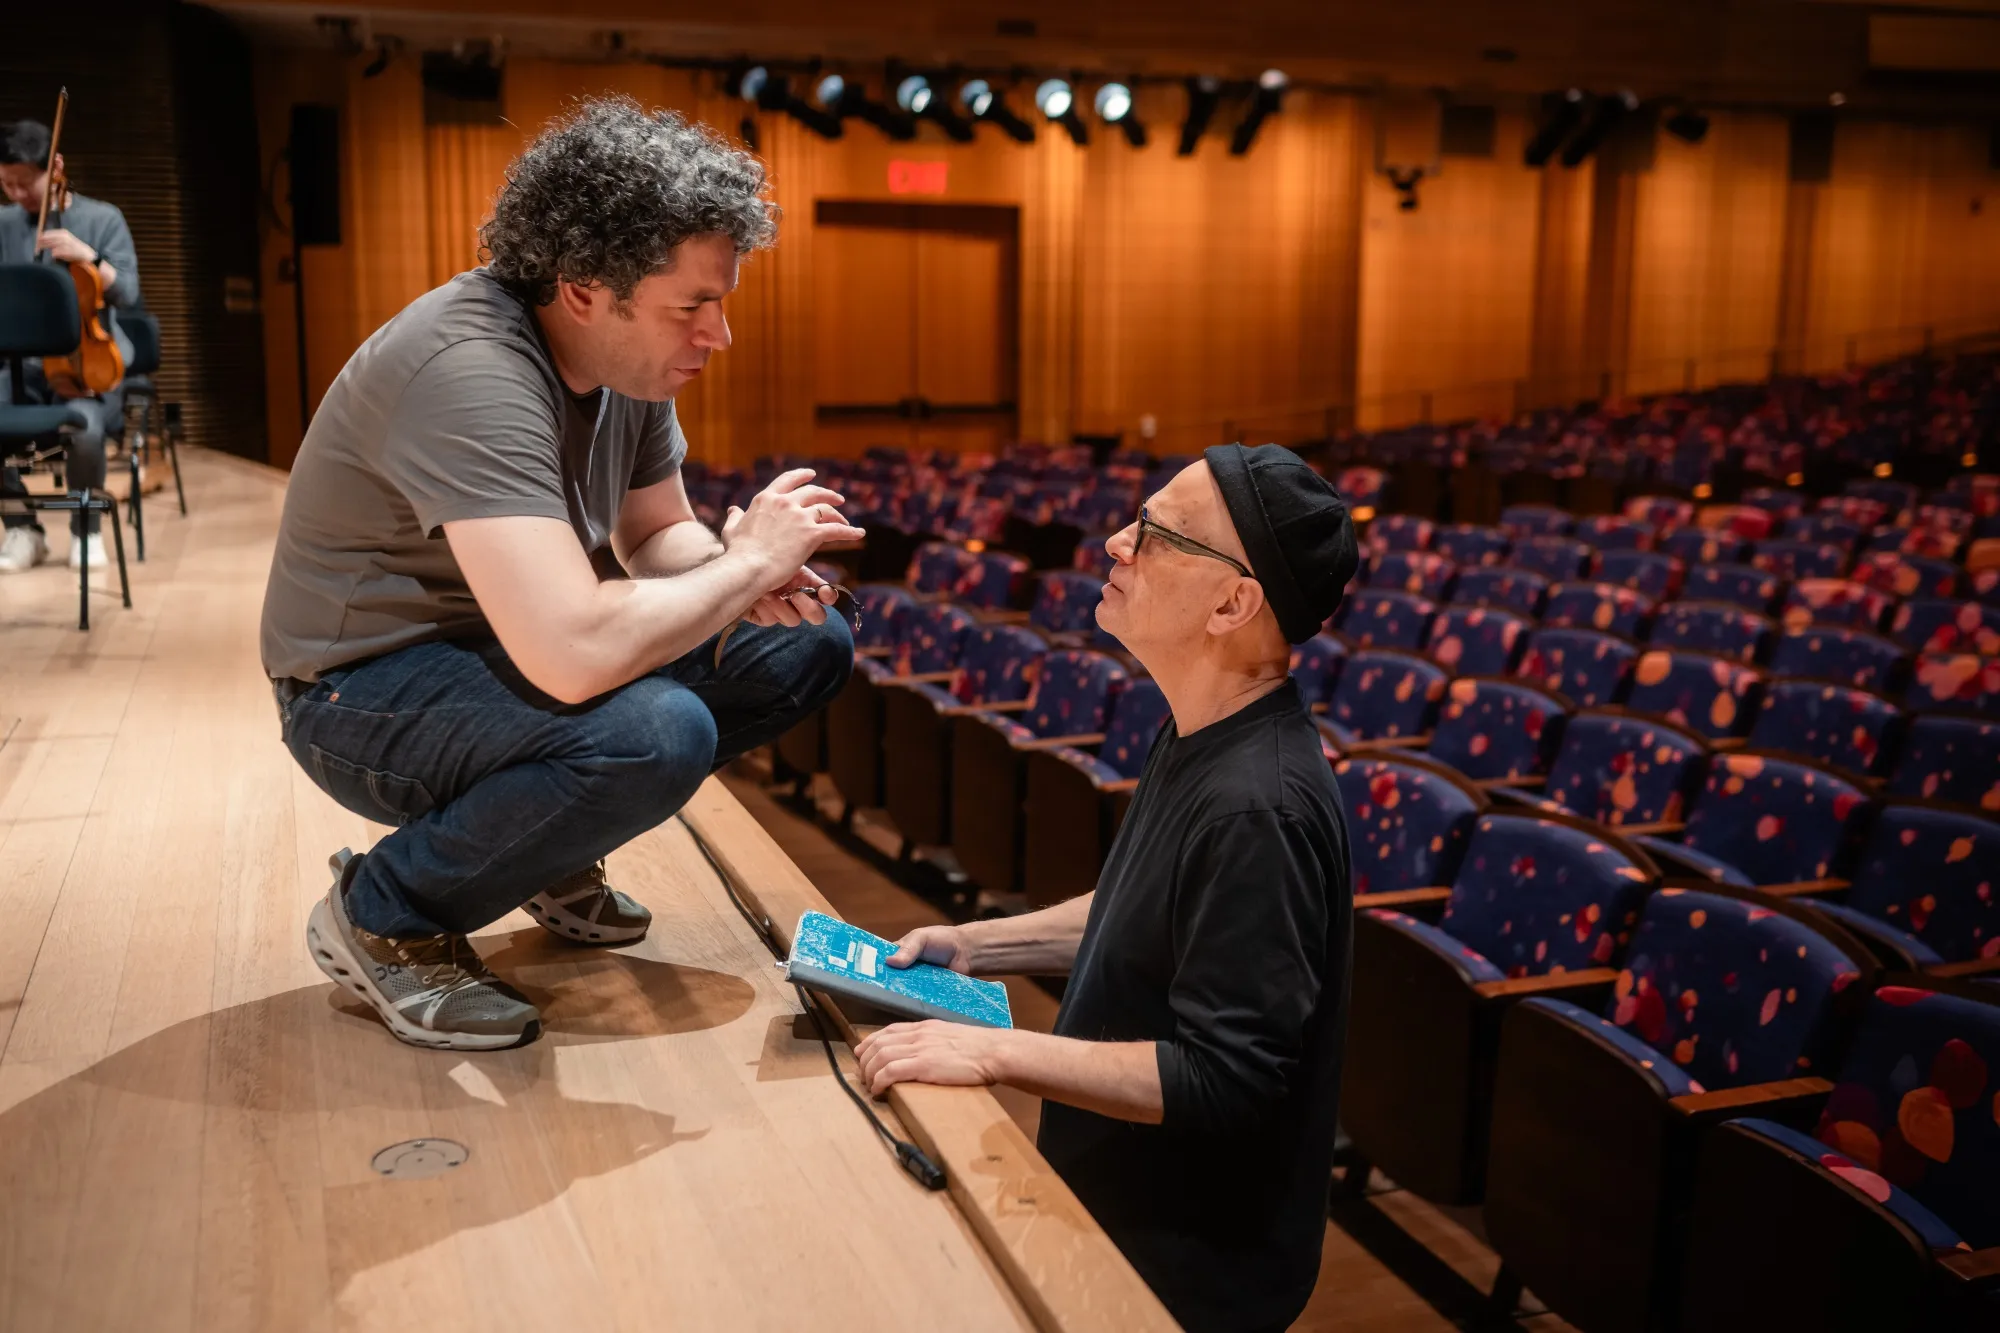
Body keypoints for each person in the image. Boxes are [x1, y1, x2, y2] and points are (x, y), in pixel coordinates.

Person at [260, 96, 862, 1052]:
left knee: (803, 647)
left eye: (722, 302)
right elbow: (573, 658)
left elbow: (655, 534)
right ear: (586, 285)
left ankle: (541, 842)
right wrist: (743, 563)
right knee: (653, 733)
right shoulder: (470, 369)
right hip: (356, 692)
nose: (719, 335)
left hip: (502, 653)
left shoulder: (626, 365)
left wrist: (738, 576)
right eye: (692, 307)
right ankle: (386, 911)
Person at [856, 444, 1359, 1333]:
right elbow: (1149, 909)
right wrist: (982, 945)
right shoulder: (1203, 730)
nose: (1117, 541)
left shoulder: (1259, 807)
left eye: (1157, 533)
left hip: (1182, 1271)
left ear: (1233, 601)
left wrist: (993, 1051)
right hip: (1118, 1215)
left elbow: (1225, 1075)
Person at [0, 117, 139, 573]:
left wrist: (88, 257)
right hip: (21, 368)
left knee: (86, 426)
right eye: (7, 184)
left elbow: (129, 293)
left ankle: (86, 530)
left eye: (25, 183)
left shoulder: (102, 219)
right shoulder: (3, 225)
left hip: (87, 365)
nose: (17, 195)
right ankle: (21, 528)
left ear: (55, 166)